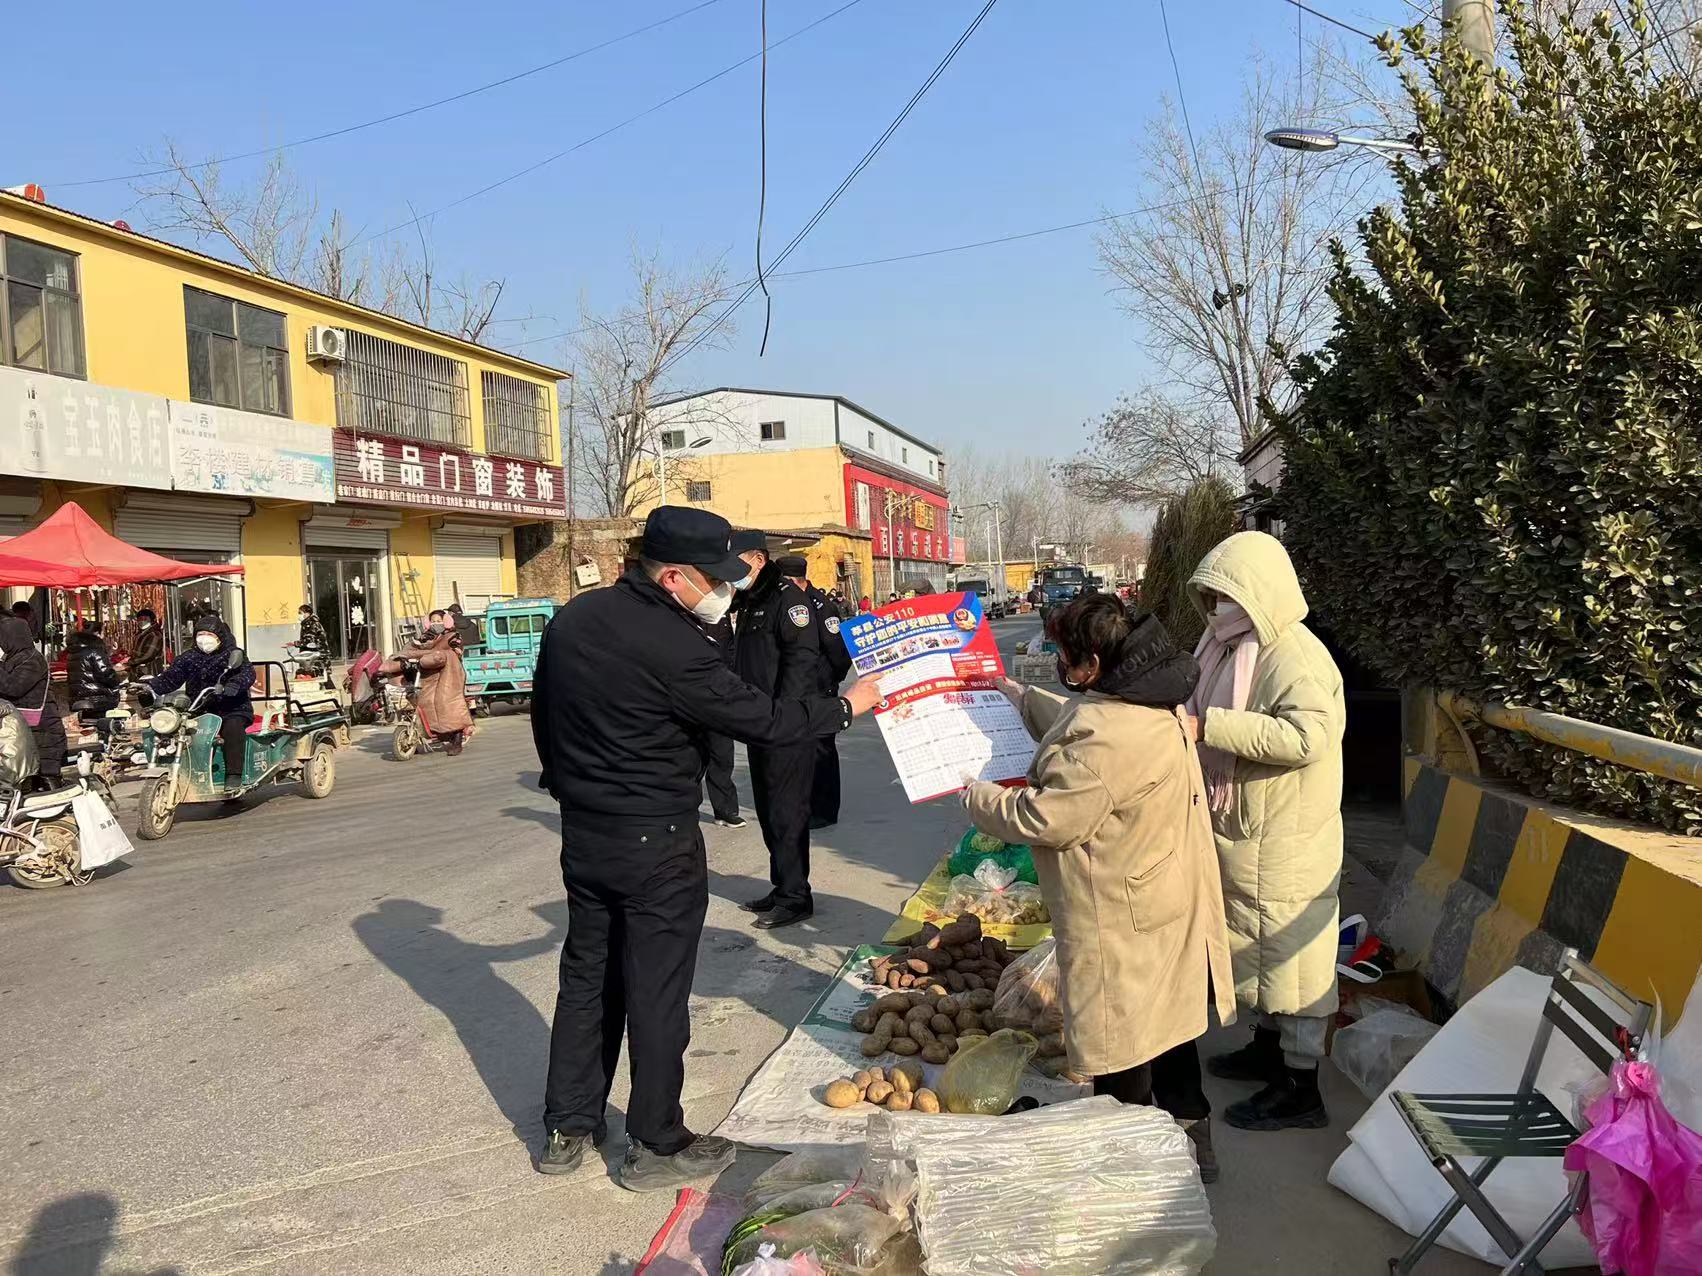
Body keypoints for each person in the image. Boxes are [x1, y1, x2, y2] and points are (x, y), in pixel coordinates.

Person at [530, 506, 881, 1190]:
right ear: (671, 576)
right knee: (656, 992)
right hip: (656, 840)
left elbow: (546, 719)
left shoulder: (573, 619)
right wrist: (847, 706)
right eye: (714, 578)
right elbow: (765, 721)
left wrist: (576, 787)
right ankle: (656, 1141)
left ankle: (568, 1125)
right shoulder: (673, 643)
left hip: (587, 832)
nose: (726, 589)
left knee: (587, 978)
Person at [962, 595, 1234, 1180]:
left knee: (1121, 1040)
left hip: (1119, 908)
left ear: (1091, 662)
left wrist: (974, 796)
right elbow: (1081, 725)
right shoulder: (1151, 697)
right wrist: (1018, 695)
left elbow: (1048, 818)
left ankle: (1125, 1166)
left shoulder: (1109, 736)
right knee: (1169, 1025)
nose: (1061, 665)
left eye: (1065, 655)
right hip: (1160, 889)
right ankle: (1194, 1136)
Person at [1184, 531, 1346, 1133]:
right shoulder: (1229, 646)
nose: (1215, 608)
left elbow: (1308, 737)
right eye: (1210, 596)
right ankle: (1267, 1048)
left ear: (1260, 593)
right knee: (1258, 952)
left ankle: (1301, 1087)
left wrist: (1210, 727)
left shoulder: (1294, 654)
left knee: (1293, 962)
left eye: (1226, 595)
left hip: (1287, 837)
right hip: (1250, 831)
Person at [731, 539, 822, 930]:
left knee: (787, 814)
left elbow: (802, 662)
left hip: (784, 726)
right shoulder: (752, 598)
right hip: (759, 723)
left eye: (734, 561)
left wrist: (783, 717)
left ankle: (796, 897)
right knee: (769, 811)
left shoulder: (789, 600)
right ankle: (783, 885)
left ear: (758, 559)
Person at [142, 616, 256, 797]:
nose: (204, 639)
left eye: (209, 635)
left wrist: (234, 685)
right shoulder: (189, 657)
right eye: (200, 634)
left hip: (232, 708)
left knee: (233, 728)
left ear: (219, 636)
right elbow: (170, 678)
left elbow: (247, 673)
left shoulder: (233, 654)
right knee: (173, 730)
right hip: (198, 708)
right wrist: (149, 687)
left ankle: (233, 776)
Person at [777, 556, 851, 830]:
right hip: (797, 691)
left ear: (796, 581)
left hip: (821, 690)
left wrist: (831, 680)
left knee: (822, 750)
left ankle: (825, 810)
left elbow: (838, 651)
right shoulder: (787, 602)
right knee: (802, 750)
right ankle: (805, 804)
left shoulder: (821, 605)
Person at [0, 615, 65, 780]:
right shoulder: (12, 659)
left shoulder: (32, 659)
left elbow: (13, 688)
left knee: (46, 780)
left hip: (44, 733)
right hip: (26, 732)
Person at [399, 622, 474, 754]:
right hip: (428, 681)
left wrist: (422, 661)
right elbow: (409, 651)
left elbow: (438, 658)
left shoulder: (450, 641)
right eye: (433, 620)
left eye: (438, 620)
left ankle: (457, 741)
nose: (435, 623)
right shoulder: (424, 641)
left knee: (449, 708)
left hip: (449, 681)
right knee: (423, 705)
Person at [67, 623, 123, 720]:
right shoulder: (95, 651)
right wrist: (117, 681)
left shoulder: (73, 653)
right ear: (97, 634)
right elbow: (106, 674)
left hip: (78, 698)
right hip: (98, 698)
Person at [130, 609, 165, 680]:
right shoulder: (140, 634)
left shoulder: (154, 635)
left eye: (145, 619)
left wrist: (130, 662)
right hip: (140, 671)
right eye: (139, 619)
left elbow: (148, 655)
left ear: (151, 620)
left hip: (150, 671)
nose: (142, 621)